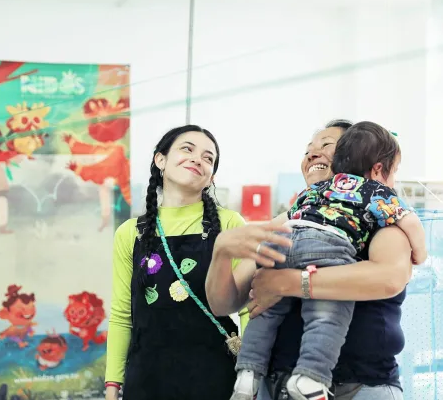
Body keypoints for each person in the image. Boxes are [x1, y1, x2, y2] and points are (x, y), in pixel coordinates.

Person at [206, 119, 424, 400]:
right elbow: (224, 303)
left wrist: (287, 283)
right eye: (308, 149)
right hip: (276, 384)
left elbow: (388, 278)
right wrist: (221, 252)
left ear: (354, 156)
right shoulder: (291, 219)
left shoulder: (380, 215)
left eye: (327, 145)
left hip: (356, 386)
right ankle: (249, 374)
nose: (312, 154)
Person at [104, 124, 293, 400]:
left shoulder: (229, 224)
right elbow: (122, 316)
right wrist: (112, 386)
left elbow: (248, 308)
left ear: (211, 177)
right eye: (187, 149)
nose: (197, 159)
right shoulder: (130, 232)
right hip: (147, 377)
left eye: (208, 158)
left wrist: (250, 377)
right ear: (160, 160)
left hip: (214, 375)